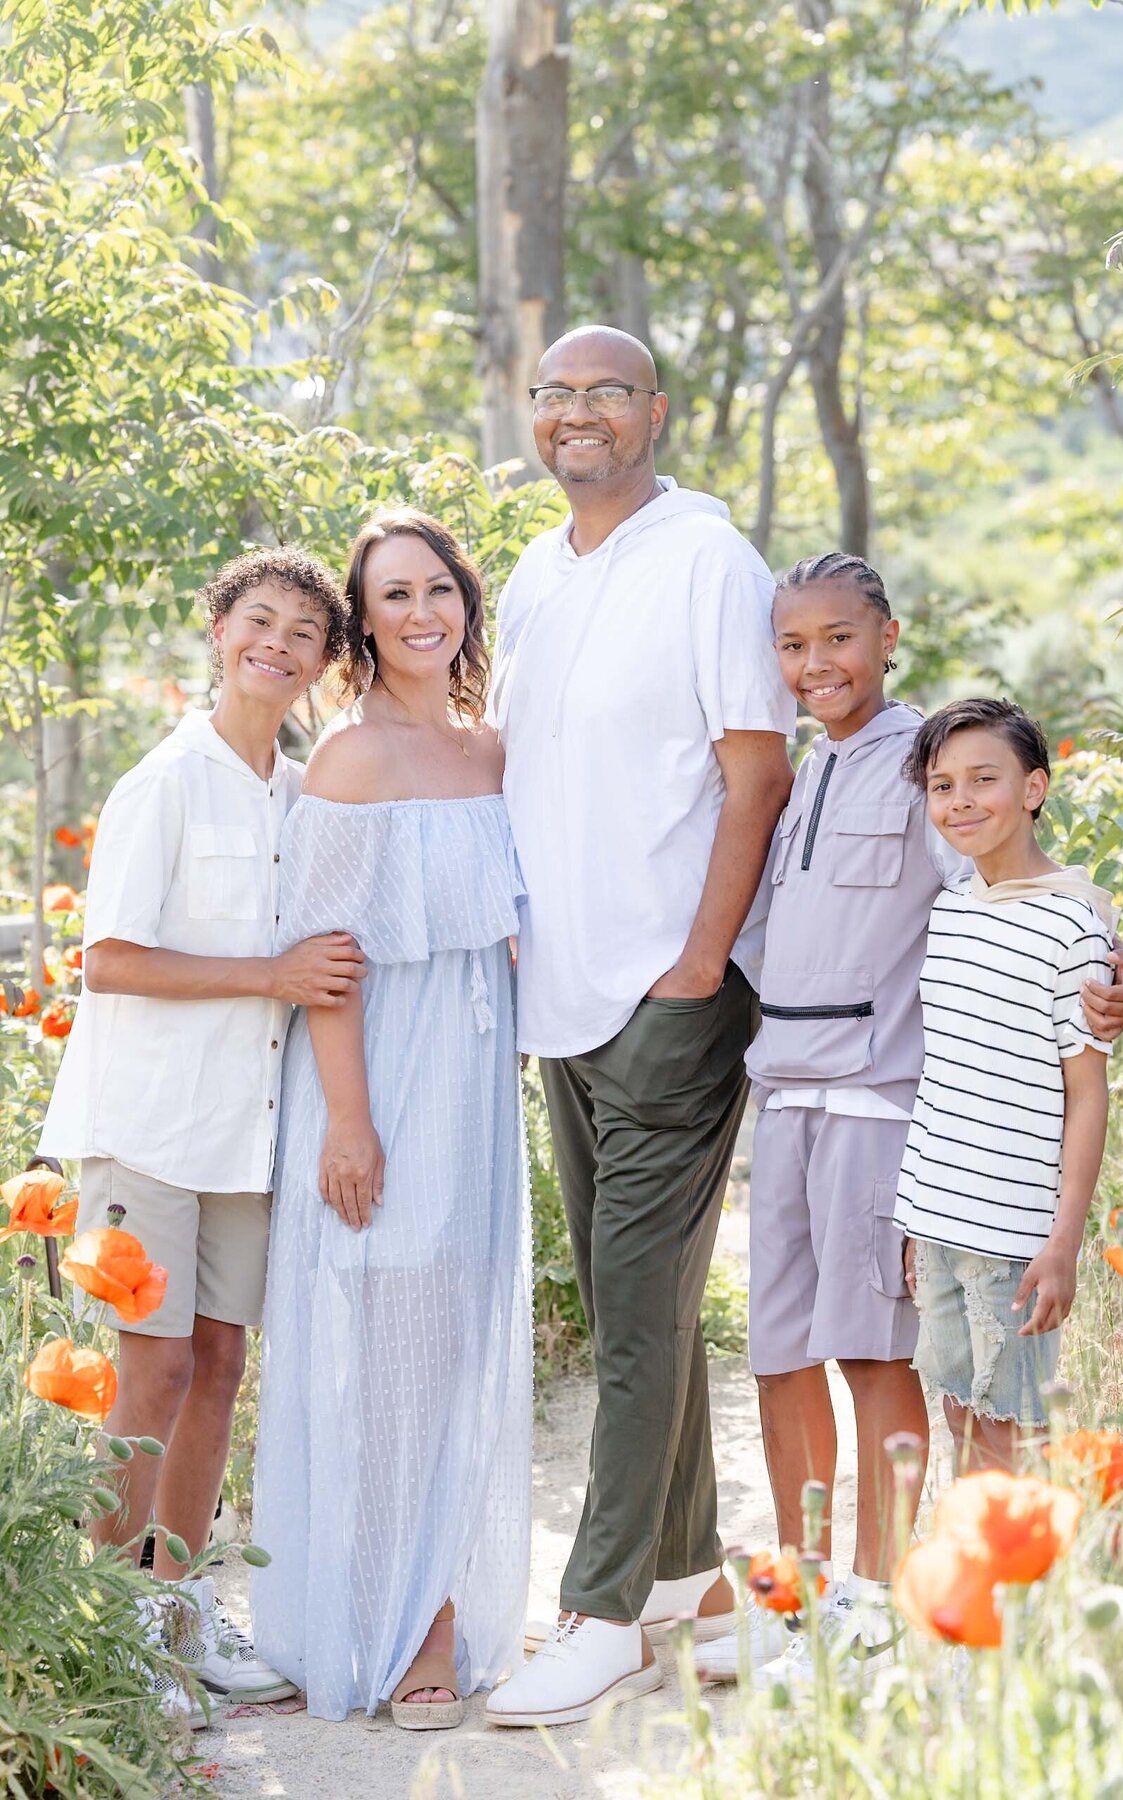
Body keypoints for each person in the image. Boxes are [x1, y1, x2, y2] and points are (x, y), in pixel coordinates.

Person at [696, 555, 1123, 1691]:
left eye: (839, 639)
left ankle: (877, 1595)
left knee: (872, 1353)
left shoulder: (921, 767)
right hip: (784, 1102)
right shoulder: (804, 773)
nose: (817, 665)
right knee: (779, 1355)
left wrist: (1118, 972)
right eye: (793, 647)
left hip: (877, 1111)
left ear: (888, 636)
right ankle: (798, 1595)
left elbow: (1019, 881)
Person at [484, 326, 796, 1729]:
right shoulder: (541, 572)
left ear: (657, 411)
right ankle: (688, 1586)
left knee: (632, 1322)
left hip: (671, 992)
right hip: (561, 990)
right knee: (634, 1310)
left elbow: (756, 770)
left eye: (608, 390)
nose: (578, 414)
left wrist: (698, 962)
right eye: (555, 394)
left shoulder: (708, 560)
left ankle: (601, 1611)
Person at [38, 546, 362, 1720]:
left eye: (303, 634)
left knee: (221, 1365)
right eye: (258, 621)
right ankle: (107, 1625)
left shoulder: (296, 789)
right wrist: (269, 974)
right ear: (218, 629)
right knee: (154, 1365)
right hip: (149, 1126)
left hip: (250, 1132)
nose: (277, 645)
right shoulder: (164, 781)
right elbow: (108, 957)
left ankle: (179, 1610)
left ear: (326, 662)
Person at [250, 508, 531, 1726]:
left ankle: (440, 1612)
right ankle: (391, 1624)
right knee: (385, 1355)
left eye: (440, 591)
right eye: (394, 596)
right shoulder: (350, 760)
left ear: (467, 604)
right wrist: (349, 1126)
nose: (422, 614)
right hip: (380, 1079)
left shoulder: (492, 751)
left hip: (476, 1090)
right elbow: (326, 961)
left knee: (458, 1349)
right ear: (363, 621)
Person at [896, 697, 1114, 1471]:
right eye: (943, 784)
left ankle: (1023, 1589)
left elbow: (1088, 1094)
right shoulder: (952, 909)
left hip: (1016, 1236)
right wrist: (916, 1218)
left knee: (1010, 1435)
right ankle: (980, 1583)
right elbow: (947, 1074)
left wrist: (1064, 1242)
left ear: (1033, 789)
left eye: (983, 779)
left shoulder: (1073, 926)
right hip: (940, 1217)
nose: (961, 801)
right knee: (957, 1413)